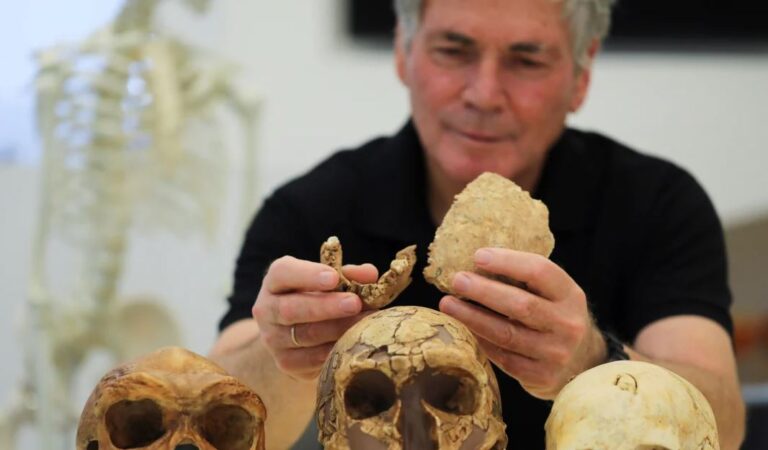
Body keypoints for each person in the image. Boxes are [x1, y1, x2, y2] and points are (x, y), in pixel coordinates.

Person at [210, 0, 746, 448]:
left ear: (581, 77)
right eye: (453, 51)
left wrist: (593, 359)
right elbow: (214, 421)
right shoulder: (309, 208)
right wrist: (285, 351)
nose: (484, 94)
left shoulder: (656, 203)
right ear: (403, 53)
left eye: (526, 60)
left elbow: (724, 424)